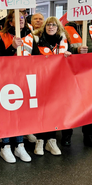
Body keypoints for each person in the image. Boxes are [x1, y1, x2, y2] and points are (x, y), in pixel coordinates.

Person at [0, 10, 38, 163]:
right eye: (17, 18)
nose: (21, 20)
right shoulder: (1, 36)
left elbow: (39, 59)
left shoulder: (31, 37)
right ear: (10, 22)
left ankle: (19, 144)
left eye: (23, 17)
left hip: (25, 82)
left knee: (21, 114)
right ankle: (5, 146)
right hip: (6, 82)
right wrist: (11, 47)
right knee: (6, 114)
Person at [62, 19, 92, 148]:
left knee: (90, 105)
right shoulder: (66, 30)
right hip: (71, 72)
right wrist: (76, 51)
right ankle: (66, 135)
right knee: (70, 105)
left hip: (91, 72)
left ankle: (88, 135)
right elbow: (64, 49)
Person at [33, 16, 72, 156]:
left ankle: (51, 140)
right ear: (44, 26)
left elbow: (71, 62)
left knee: (54, 111)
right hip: (40, 81)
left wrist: (69, 56)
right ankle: (40, 140)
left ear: (58, 27)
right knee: (41, 111)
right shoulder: (36, 41)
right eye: (48, 24)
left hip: (57, 82)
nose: (51, 27)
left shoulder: (64, 42)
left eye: (54, 25)